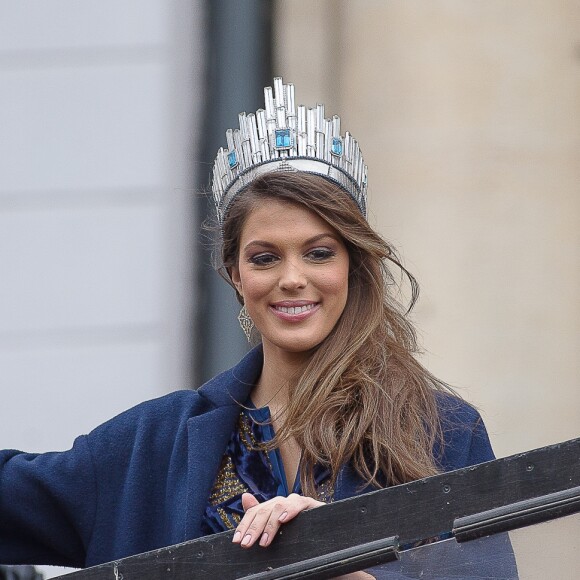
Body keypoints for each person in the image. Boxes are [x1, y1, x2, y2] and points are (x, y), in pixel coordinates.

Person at [0, 78, 496, 577]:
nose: (293, 279)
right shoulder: (151, 447)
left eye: (319, 253)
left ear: (354, 265)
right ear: (236, 276)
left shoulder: (442, 433)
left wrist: (347, 568)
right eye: (264, 258)